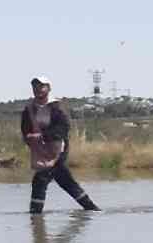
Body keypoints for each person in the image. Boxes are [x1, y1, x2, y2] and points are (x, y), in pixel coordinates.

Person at [21, 76, 100, 214]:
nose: (37, 89)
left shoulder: (57, 107)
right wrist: (28, 137)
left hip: (59, 148)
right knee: (65, 181)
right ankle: (91, 209)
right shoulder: (29, 109)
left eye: (41, 86)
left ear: (49, 89)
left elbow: (63, 128)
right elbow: (25, 128)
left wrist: (42, 136)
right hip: (41, 150)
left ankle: (35, 217)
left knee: (41, 179)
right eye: (34, 86)